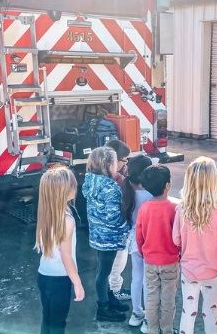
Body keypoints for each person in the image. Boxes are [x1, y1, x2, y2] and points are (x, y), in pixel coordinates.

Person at [172, 157, 217, 334]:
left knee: (188, 312)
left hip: (189, 270)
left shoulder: (182, 208)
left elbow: (176, 240)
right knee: (211, 313)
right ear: (214, 180)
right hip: (213, 270)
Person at [82, 147, 131, 322]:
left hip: (97, 235)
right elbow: (114, 218)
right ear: (110, 165)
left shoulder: (89, 181)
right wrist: (129, 226)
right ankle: (103, 308)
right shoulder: (111, 189)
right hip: (109, 238)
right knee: (103, 273)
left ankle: (109, 297)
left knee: (104, 271)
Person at [35, 166, 85, 334]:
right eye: (73, 184)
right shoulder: (67, 220)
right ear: (64, 191)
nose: (76, 186)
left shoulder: (47, 212)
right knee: (58, 324)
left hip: (43, 275)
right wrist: (77, 282)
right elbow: (66, 256)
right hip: (60, 280)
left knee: (48, 320)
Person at [135, 165, 179, 334]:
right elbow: (178, 237)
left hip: (150, 261)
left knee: (151, 298)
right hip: (170, 261)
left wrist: (143, 251)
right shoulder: (174, 209)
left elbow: (139, 235)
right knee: (168, 299)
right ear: (168, 185)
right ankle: (167, 330)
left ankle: (152, 329)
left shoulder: (144, 208)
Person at [121, 155, 153, 332]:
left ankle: (136, 313)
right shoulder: (150, 194)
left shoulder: (127, 190)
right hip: (150, 238)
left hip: (134, 238)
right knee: (149, 280)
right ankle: (148, 318)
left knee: (136, 277)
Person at [105, 139, 132, 301]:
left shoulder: (96, 176)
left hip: (102, 232)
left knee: (106, 265)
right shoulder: (117, 181)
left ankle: (109, 291)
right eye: (125, 160)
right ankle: (115, 292)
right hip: (117, 231)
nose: (126, 163)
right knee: (118, 262)